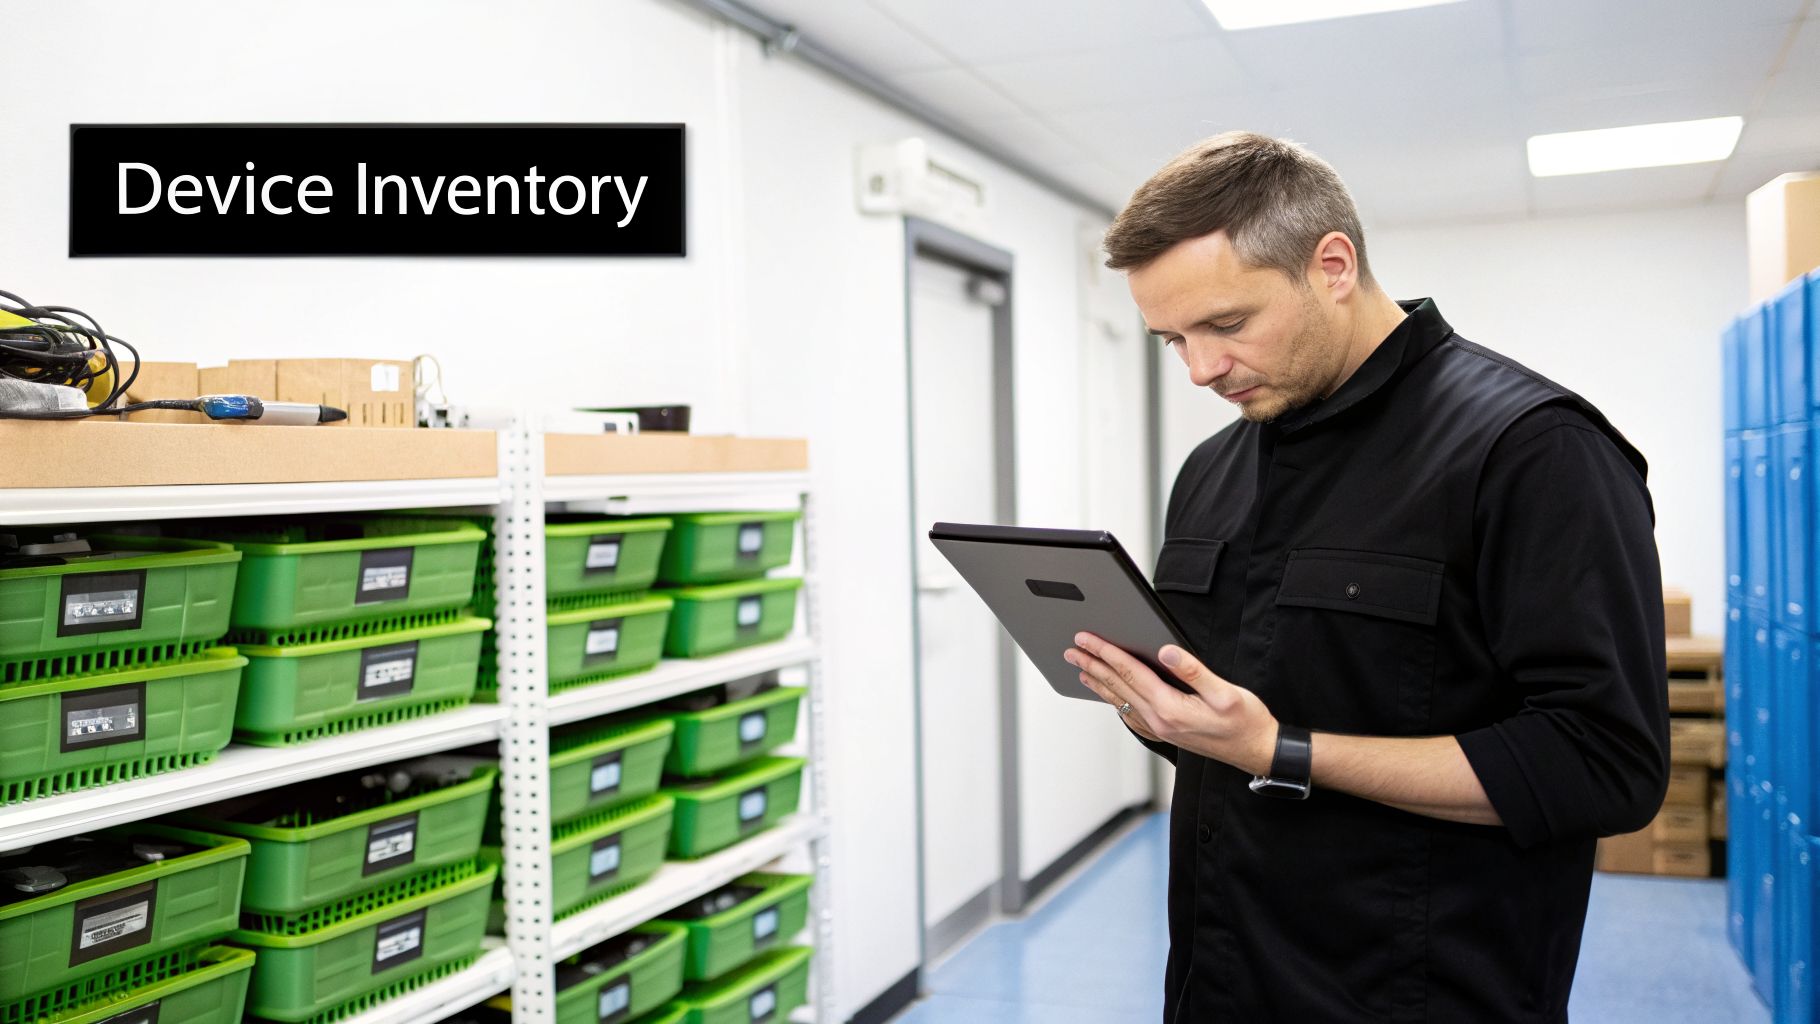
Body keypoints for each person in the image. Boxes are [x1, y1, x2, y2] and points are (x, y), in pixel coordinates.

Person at [1063, 132, 1670, 1022]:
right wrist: (1162, 711)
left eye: (1228, 325)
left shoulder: (1532, 451)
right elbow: (1224, 728)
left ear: (1334, 264)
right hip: (1218, 980)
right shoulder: (1213, 470)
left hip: (1417, 993)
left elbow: (1605, 762)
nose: (1201, 369)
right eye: (1172, 340)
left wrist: (1280, 752)